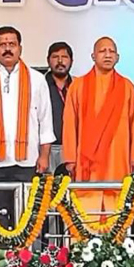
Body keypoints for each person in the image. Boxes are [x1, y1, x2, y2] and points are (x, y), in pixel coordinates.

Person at [0, 26, 54, 227]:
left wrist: (44, 156)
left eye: (12, 44)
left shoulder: (37, 79)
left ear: (20, 48)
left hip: (28, 161)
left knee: (27, 218)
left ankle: (26, 249)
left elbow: (45, 121)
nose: (7, 49)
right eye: (2, 45)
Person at [62, 37, 134, 214]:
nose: (107, 55)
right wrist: (70, 158)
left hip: (117, 158)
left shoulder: (127, 86)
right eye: (102, 51)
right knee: (87, 216)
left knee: (116, 214)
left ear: (118, 57)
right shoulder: (78, 86)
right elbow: (69, 124)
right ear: (93, 56)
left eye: (111, 51)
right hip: (86, 162)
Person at [44, 42, 73, 172]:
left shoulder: (79, 86)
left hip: (72, 149)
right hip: (45, 149)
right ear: (48, 60)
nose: (60, 61)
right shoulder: (39, 84)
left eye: (64, 57)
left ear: (71, 61)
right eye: (55, 57)